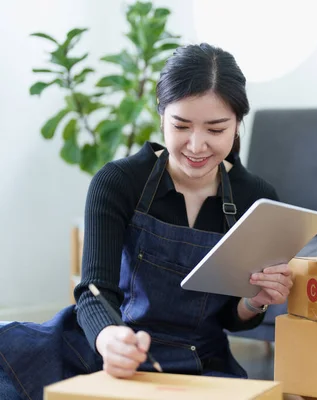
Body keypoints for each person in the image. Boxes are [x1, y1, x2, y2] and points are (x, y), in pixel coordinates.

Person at [0, 43, 293, 400]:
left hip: (200, 363)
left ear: (237, 125)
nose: (197, 146)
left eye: (215, 130)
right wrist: (110, 340)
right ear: (161, 116)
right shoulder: (118, 182)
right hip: (104, 347)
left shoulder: (256, 200)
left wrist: (256, 300)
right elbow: (93, 293)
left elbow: (232, 318)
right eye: (181, 126)